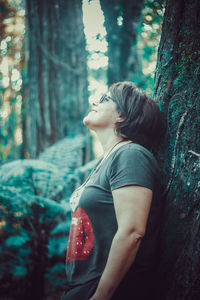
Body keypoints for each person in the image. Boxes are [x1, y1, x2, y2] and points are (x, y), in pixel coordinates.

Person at [61, 81, 163, 300]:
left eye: (105, 98)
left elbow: (132, 232)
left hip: (109, 292)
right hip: (80, 288)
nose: (94, 101)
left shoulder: (131, 155)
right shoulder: (107, 160)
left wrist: (100, 296)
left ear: (122, 116)